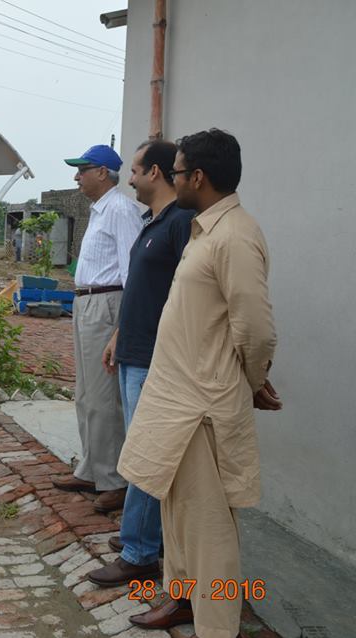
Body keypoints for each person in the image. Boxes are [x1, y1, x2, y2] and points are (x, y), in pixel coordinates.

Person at [119, 129, 280, 638]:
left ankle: (217, 626)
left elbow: (255, 328)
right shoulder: (206, 230)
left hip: (201, 408)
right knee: (178, 517)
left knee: (207, 529)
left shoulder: (235, 235)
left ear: (199, 178)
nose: (174, 176)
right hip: (178, 399)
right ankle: (181, 600)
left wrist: (251, 382)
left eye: (180, 170)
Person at [85, 139, 195, 587]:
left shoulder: (181, 223)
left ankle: (140, 551)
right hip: (134, 349)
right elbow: (140, 292)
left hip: (157, 357)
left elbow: (187, 296)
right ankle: (145, 538)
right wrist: (118, 335)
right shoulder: (154, 222)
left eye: (134, 170)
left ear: (155, 173)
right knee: (139, 451)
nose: (128, 178)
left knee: (147, 454)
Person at [51, 145, 144, 512]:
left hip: (106, 303)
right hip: (87, 302)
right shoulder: (101, 211)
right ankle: (91, 468)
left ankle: (114, 479)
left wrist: (122, 326)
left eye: (83, 169)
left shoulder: (120, 211)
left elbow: (131, 271)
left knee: (105, 396)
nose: (77, 176)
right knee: (87, 392)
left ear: (103, 172)